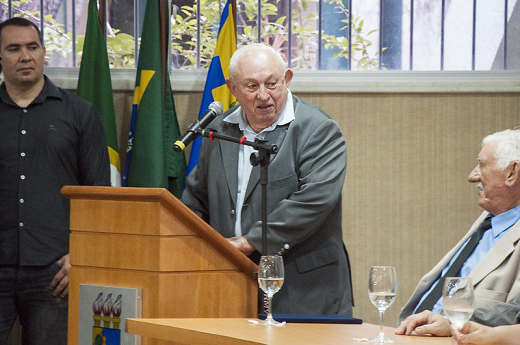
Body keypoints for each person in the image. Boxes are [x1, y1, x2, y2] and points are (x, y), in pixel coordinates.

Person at [181, 43, 353, 316]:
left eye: (272, 83)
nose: (264, 96)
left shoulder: (317, 129)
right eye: (251, 86)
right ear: (232, 88)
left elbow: (315, 200)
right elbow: (197, 198)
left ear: (287, 79)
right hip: (231, 284)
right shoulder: (218, 130)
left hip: (306, 290)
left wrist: (249, 242)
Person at [0, 18, 110, 344]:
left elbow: (97, 194)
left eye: (32, 47)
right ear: (0, 57)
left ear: (44, 53)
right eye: (14, 48)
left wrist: (82, 252)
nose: (25, 56)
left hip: (55, 272)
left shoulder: (79, 113)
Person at [396, 128, 520, 336]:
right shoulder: (488, 218)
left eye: (481, 165)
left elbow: (515, 313)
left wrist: (453, 322)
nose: (472, 176)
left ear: (511, 173)